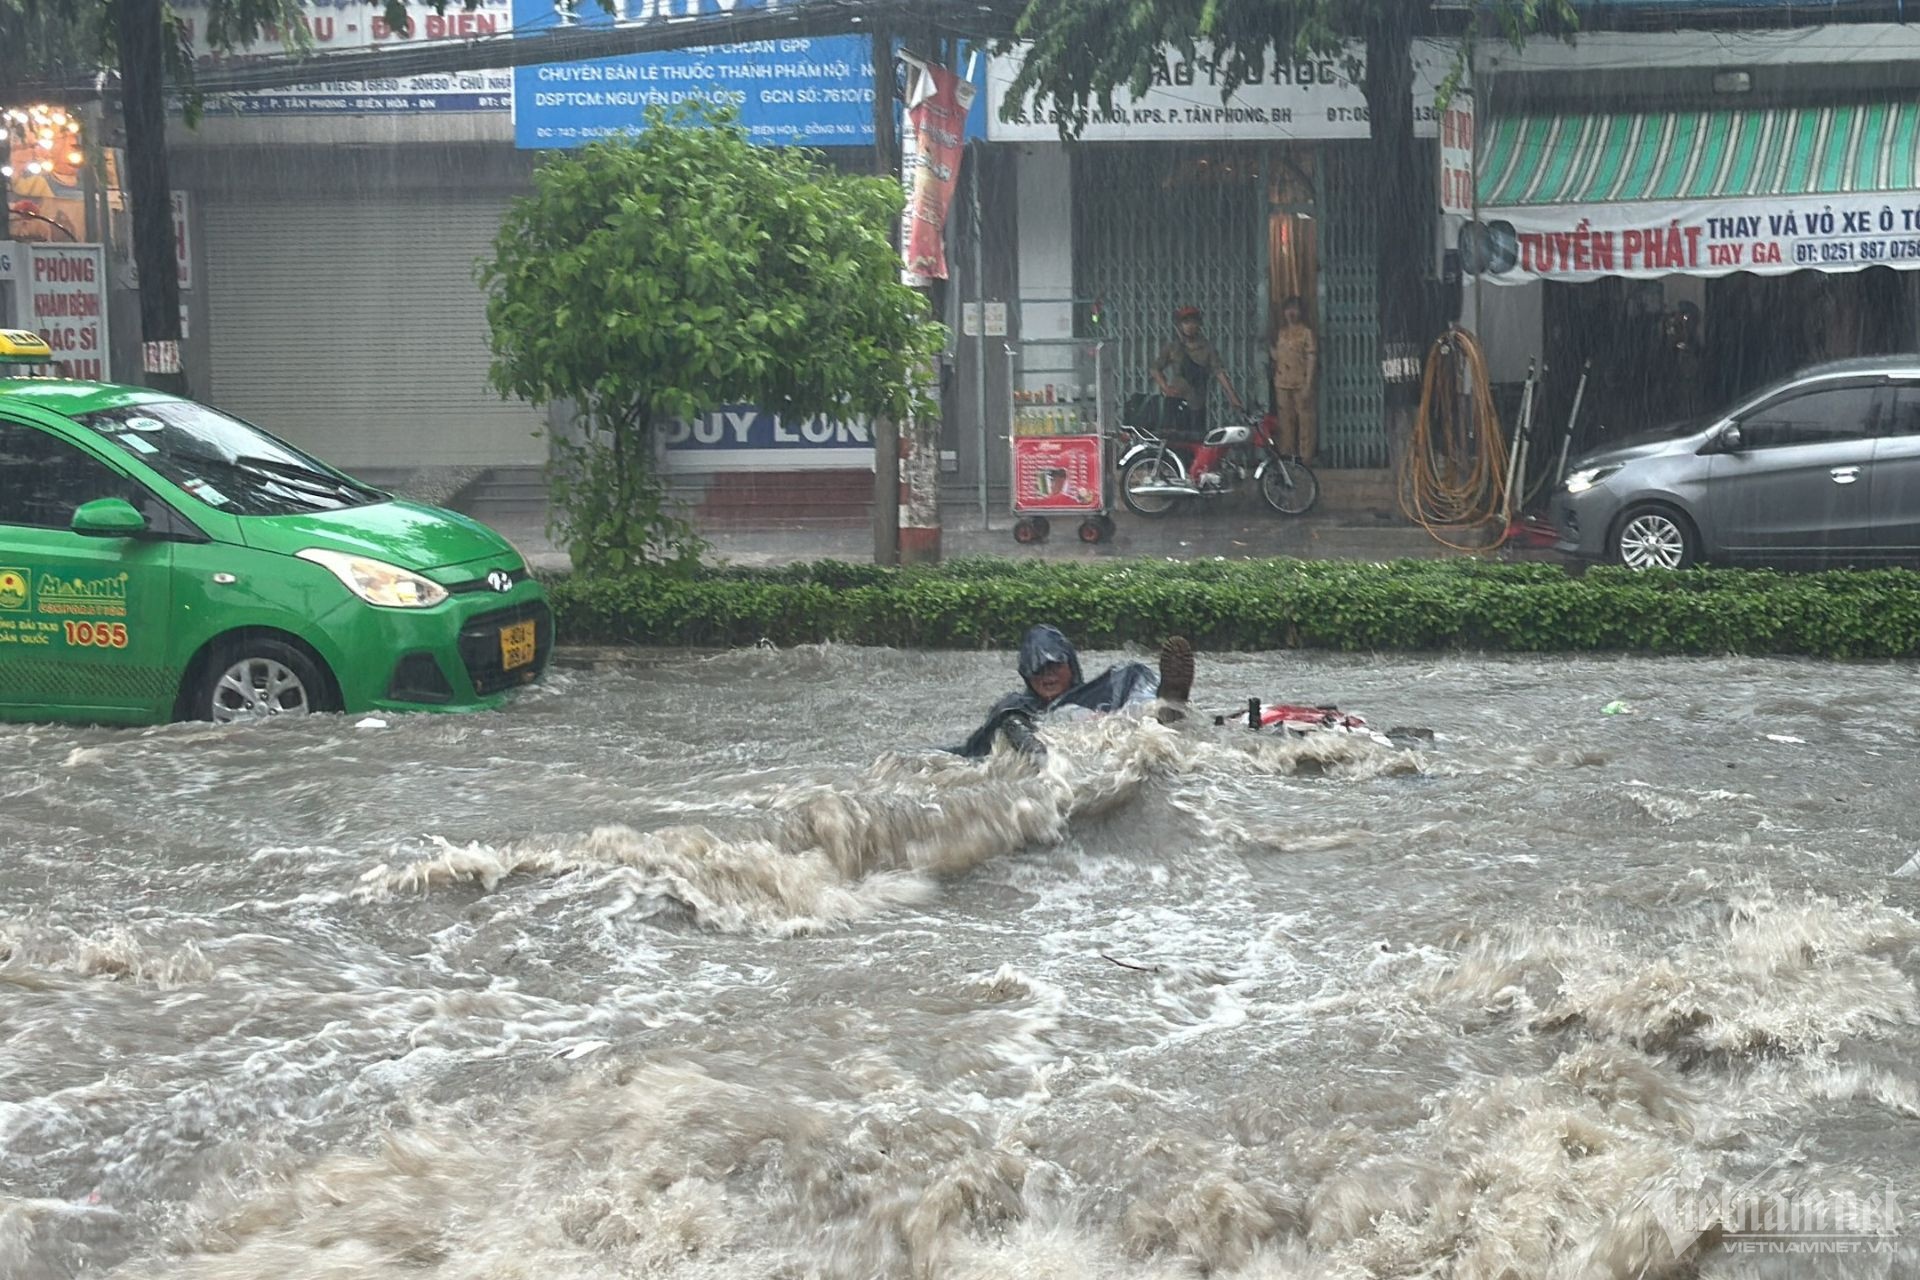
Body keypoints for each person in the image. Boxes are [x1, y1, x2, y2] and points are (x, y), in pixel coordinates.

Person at [953, 628, 1195, 759]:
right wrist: (1044, 760)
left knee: (1133, 675)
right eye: (1037, 670)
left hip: (1116, 737)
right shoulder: (1017, 709)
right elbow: (1018, 733)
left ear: (1071, 665)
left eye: (1055, 666)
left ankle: (1166, 706)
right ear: (1026, 675)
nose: (1048, 677)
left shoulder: (1105, 690)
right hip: (1069, 754)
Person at [1153, 306, 1245, 488]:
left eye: (1193, 322)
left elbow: (1219, 373)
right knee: (1174, 444)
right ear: (1180, 326)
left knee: (1197, 446)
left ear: (1199, 324)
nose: (1189, 326)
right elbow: (1155, 368)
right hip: (1175, 403)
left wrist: (1233, 397)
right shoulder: (1173, 348)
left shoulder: (1207, 349)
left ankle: (1195, 483)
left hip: (1197, 404)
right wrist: (1165, 387)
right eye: (1185, 322)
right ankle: (1173, 482)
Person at [1271, 295, 1318, 463]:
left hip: (1301, 382)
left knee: (1305, 421)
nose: (1291, 313)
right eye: (1288, 309)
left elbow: (1311, 358)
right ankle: (1287, 455)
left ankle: (1305, 458)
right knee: (1285, 421)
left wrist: (1308, 383)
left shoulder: (1306, 333)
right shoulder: (1281, 333)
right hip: (1282, 383)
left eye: (1295, 309)